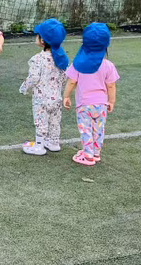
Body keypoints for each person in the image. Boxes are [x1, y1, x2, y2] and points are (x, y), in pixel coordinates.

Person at [63, 23, 119, 166]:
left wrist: (66, 96)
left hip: (84, 105)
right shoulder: (108, 65)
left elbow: (71, 82)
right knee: (99, 129)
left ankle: (87, 156)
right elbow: (111, 85)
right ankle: (95, 153)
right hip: (101, 105)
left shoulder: (77, 64)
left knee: (86, 130)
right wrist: (111, 101)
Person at [19, 18, 70, 155]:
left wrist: (24, 87)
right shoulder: (61, 58)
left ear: (42, 40)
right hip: (56, 97)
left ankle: (39, 146)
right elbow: (65, 76)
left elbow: (34, 77)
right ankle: (53, 142)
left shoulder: (37, 59)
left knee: (41, 121)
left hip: (41, 98)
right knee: (54, 121)